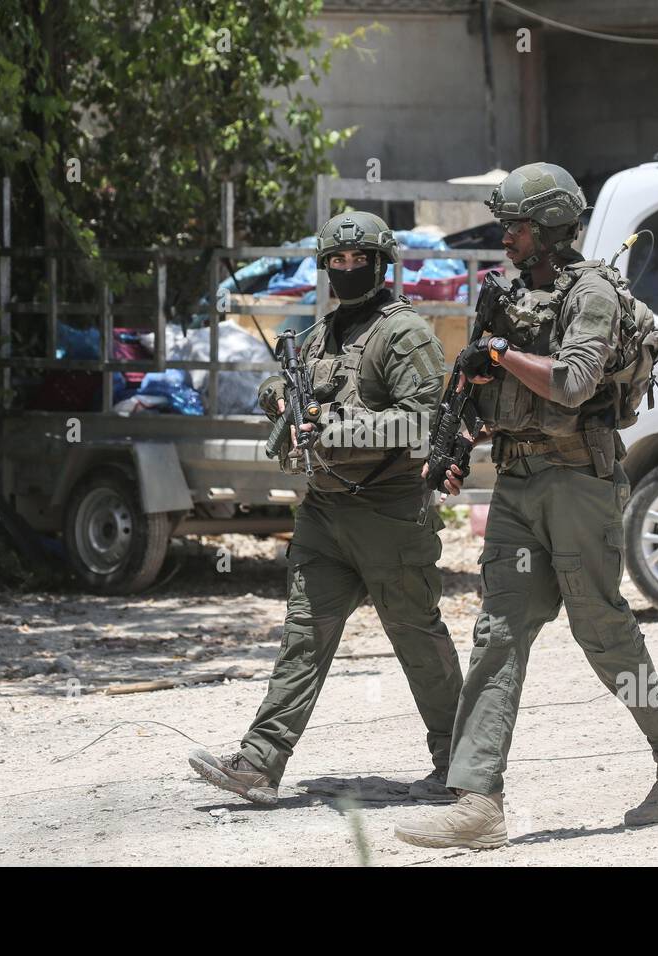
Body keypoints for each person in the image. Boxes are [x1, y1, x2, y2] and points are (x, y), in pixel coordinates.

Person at [394, 163, 658, 850]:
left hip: (578, 483)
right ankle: (478, 801)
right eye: (507, 224)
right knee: (498, 633)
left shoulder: (591, 291)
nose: (506, 236)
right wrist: (456, 444)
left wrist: (502, 353)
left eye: (518, 225)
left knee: (603, 631)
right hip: (516, 484)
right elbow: (491, 399)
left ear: (553, 227)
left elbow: (571, 383)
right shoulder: (508, 297)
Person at [188, 211, 464, 805]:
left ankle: (463, 763)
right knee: (303, 637)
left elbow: (424, 422)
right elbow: (286, 393)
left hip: (388, 514)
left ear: (380, 263)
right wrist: (279, 400)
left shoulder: (404, 333)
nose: (344, 270)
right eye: (335, 262)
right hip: (324, 514)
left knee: (416, 636)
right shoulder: (318, 335)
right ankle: (259, 764)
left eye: (355, 260)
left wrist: (342, 429)